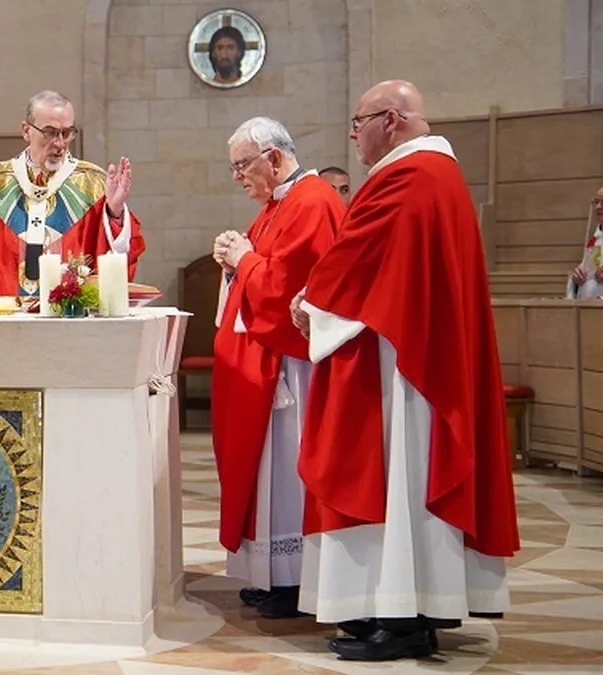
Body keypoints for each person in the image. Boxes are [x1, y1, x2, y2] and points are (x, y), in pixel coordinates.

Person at [290, 80, 519, 661]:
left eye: (358, 121)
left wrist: (311, 301)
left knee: (402, 481)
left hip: (405, 368)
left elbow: (358, 259)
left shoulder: (410, 176)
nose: (353, 134)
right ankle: (401, 607)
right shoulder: (434, 175)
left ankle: (403, 613)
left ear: (390, 120)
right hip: (414, 355)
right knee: (404, 484)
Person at [211, 118, 342, 619]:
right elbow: (257, 271)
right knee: (271, 474)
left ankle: (296, 579)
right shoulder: (277, 206)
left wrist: (243, 260)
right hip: (269, 363)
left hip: (294, 368)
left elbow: (285, 288)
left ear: (273, 157)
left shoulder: (311, 202)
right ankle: (275, 576)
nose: (237, 176)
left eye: (242, 165)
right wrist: (233, 261)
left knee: (289, 474)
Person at [0, 90, 145, 302]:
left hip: (71, 315)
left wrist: (114, 213)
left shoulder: (94, 184)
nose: (59, 143)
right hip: (3, 314)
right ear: (26, 130)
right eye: (50, 132)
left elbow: (119, 257)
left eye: (66, 133)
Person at [567, 184, 603, 299]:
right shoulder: (594, 240)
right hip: (589, 306)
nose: (598, 207)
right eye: (596, 202)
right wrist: (576, 278)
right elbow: (587, 276)